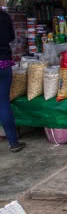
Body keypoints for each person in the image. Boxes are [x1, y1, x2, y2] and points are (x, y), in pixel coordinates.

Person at [0, 9, 25, 153]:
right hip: (3, 63)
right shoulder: (4, 16)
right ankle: (13, 142)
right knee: (4, 103)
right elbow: (11, 36)